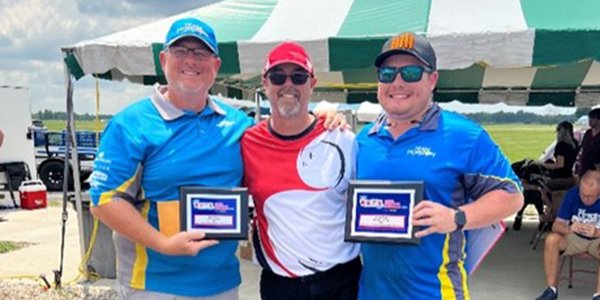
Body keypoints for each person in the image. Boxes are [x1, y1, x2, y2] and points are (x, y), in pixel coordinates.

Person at [89, 17, 345, 300]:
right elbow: (104, 201)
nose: (191, 60)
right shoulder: (130, 124)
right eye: (181, 51)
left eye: (201, 53)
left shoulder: (238, 125)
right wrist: (162, 243)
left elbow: (286, 136)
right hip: (155, 285)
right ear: (163, 59)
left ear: (216, 66)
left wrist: (323, 116)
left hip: (222, 284)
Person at [355, 32, 524, 300]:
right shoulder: (364, 139)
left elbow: (512, 196)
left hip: (435, 293)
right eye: (387, 73)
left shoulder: (464, 136)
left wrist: (456, 218)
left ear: (432, 79)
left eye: (411, 72)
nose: (397, 82)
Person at [241, 42, 361, 300]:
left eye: (298, 77)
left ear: (312, 83)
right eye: (277, 76)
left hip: (341, 281)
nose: (288, 84)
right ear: (265, 83)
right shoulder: (247, 143)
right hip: (281, 285)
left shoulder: (342, 138)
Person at [534, 171, 600, 300]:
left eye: (590, 196)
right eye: (582, 194)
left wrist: (597, 232)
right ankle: (551, 290)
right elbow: (556, 225)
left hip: (597, 240)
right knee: (551, 239)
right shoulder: (572, 194)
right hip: (575, 238)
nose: (585, 199)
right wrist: (569, 228)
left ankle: (598, 295)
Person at [513, 121, 579, 230]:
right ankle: (553, 211)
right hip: (569, 177)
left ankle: (550, 213)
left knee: (541, 189)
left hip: (559, 178)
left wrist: (543, 164)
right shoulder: (575, 144)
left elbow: (559, 165)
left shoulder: (561, 145)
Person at [578, 108, 600, 177]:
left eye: (592, 118)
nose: (589, 121)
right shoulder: (588, 133)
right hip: (584, 168)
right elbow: (582, 147)